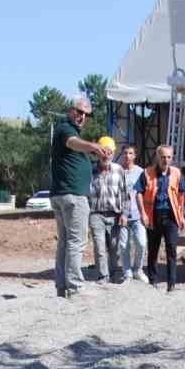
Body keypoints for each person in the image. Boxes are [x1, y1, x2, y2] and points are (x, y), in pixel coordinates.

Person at [48, 95, 112, 298]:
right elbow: (73, 143)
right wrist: (94, 146)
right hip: (72, 196)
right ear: (71, 110)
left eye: (86, 114)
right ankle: (74, 286)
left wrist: (94, 154)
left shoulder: (70, 131)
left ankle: (61, 286)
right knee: (76, 242)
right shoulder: (65, 129)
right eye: (79, 111)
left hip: (63, 195)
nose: (83, 116)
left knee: (66, 242)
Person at [136, 144, 185, 293]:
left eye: (169, 157)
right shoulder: (147, 173)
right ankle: (152, 281)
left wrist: (182, 215)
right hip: (153, 216)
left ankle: (172, 284)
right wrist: (143, 213)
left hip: (171, 217)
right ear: (157, 157)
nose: (166, 160)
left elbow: (181, 195)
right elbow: (138, 192)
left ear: (172, 158)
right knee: (153, 250)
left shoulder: (176, 173)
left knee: (171, 250)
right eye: (163, 157)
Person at [87, 137, 126, 283]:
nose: (106, 155)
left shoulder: (119, 170)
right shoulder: (90, 170)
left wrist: (124, 213)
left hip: (115, 214)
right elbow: (85, 193)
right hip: (95, 213)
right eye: (103, 151)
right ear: (97, 153)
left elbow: (124, 193)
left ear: (113, 153)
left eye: (109, 152)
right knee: (99, 246)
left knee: (114, 246)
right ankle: (103, 276)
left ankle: (113, 273)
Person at [117, 144, 147, 284]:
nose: (127, 156)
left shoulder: (141, 172)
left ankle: (138, 269)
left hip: (137, 215)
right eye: (125, 153)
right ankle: (127, 273)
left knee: (141, 243)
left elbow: (145, 194)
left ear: (135, 156)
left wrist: (144, 213)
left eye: (130, 153)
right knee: (123, 246)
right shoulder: (117, 171)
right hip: (121, 216)